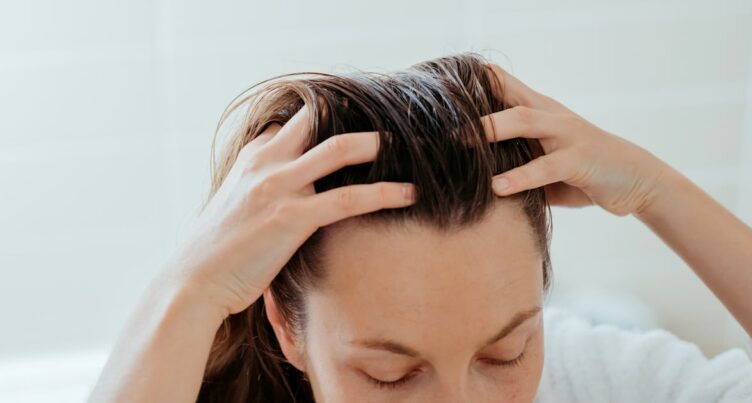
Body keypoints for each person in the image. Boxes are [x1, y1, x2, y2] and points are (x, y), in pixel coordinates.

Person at [88, 53, 752, 403]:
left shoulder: (587, 379)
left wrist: (657, 191)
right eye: (392, 374)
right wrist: (190, 289)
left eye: (505, 353)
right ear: (288, 329)